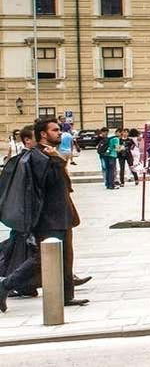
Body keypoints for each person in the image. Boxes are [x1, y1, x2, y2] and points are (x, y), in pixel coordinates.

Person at [0, 118, 88, 312]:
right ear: (43, 134)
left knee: (66, 257)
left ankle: (67, 296)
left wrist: (57, 158)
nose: (59, 133)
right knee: (42, 258)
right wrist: (57, 159)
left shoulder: (48, 154)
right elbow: (47, 183)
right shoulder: (39, 156)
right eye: (55, 130)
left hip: (61, 213)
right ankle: (5, 285)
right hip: (48, 217)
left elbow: (65, 185)